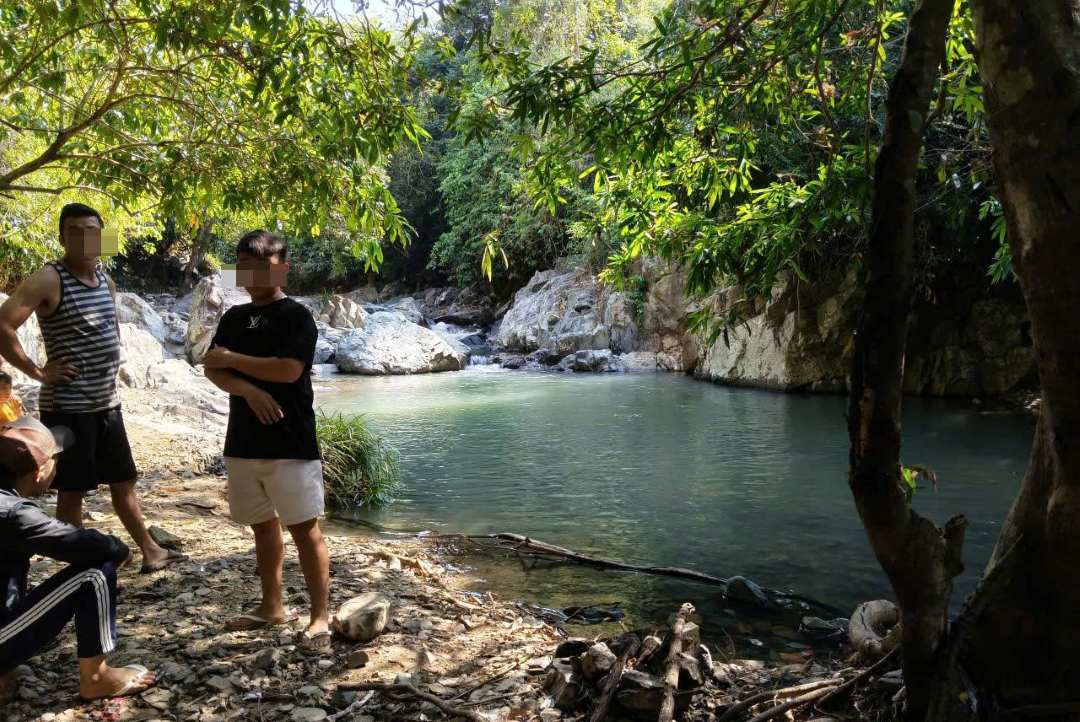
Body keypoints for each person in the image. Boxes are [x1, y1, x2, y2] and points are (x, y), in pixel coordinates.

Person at [0, 203, 185, 573]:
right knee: (72, 492)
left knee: (124, 481)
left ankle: (151, 550)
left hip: (107, 405)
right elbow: (3, 325)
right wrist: (38, 372)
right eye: (75, 231)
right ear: (62, 238)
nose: (86, 239)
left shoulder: (105, 280)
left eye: (92, 231)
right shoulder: (49, 278)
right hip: (69, 408)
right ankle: (81, 572)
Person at [203, 230, 331, 653]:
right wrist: (248, 391)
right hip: (243, 441)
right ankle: (271, 606)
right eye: (243, 266)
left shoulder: (297, 316)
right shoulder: (234, 317)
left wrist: (234, 362)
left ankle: (320, 616)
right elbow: (211, 368)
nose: (251, 274)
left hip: (290, 442)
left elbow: (289, 370)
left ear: (282, 269)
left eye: (261, 266)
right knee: (261, 526)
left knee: (305, 529)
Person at [0, 416, 156, 702]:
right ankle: (97, 678)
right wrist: (121, 550)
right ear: (39, 472)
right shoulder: (13, 513)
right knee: (95, 573)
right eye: (55, 460)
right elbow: (85, 545)